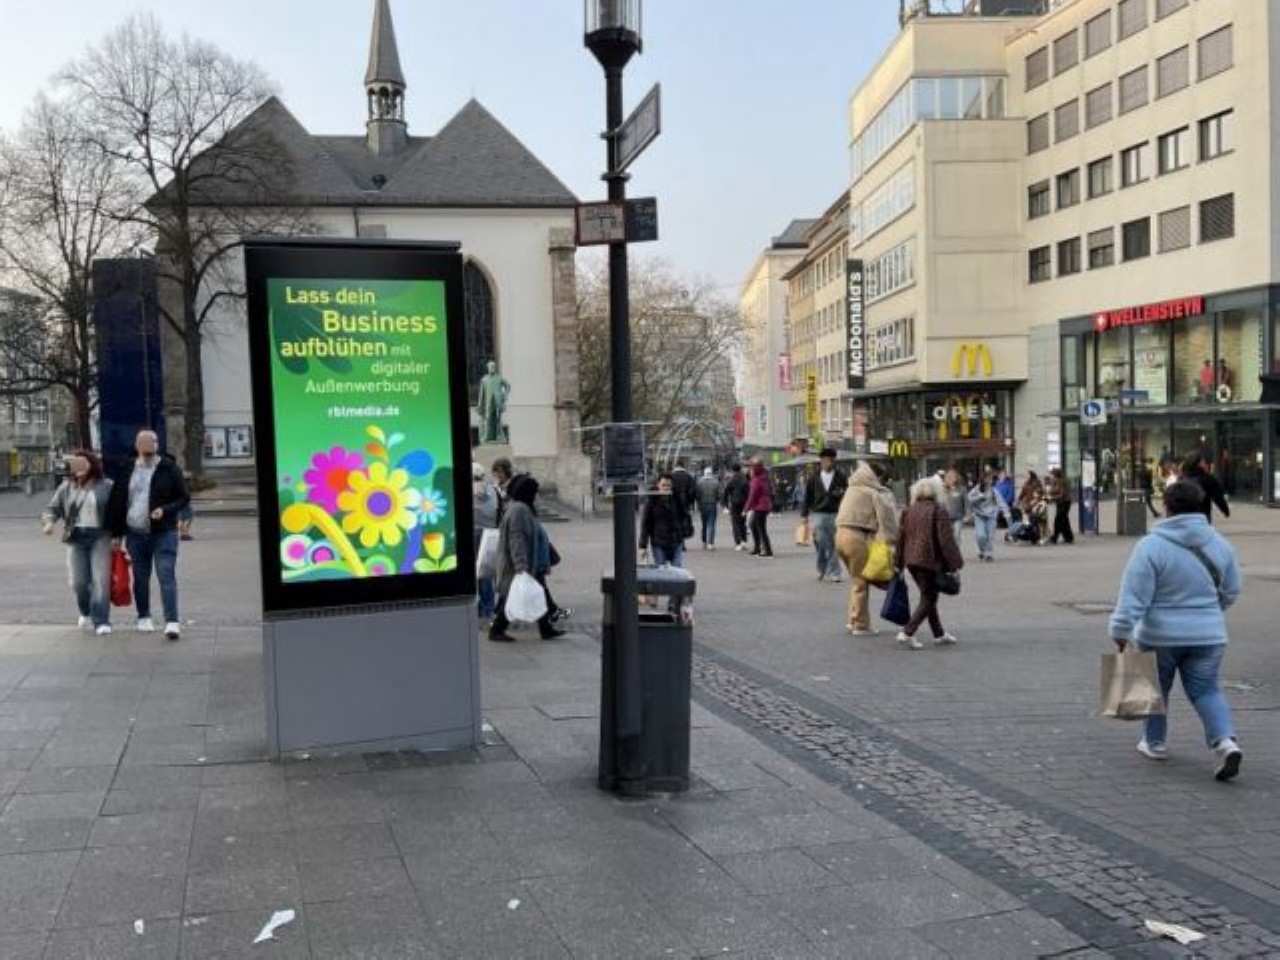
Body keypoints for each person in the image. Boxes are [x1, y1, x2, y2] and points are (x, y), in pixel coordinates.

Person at [1108, 480, 1243, 781]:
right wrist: (1210, 613)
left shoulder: (1150, 546)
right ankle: (1226, 743)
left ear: (1166, 507)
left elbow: (1134, 595)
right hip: (1209, 635)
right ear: (1200, 506)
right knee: (1207, 690)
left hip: (1159, 636)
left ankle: (1155, 743)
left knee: (1156, 691)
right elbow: (1232, 590)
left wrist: (1120, 628)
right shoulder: (1220, 544)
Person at [105, 431, 189, 640]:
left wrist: (165, 510)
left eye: (151, 441)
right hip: (135, 533)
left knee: (166, 574)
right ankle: (144, 616)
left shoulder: (169, 468)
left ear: (157, 444)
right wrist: (116, 533)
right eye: (143, 441)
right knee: (141, 577)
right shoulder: (128, 468)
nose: (147, 444)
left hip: (164, 532)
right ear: (137, 445)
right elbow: (117, 500)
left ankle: (172, 621)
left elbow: (183, 497)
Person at [42, 451, 115, 636]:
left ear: (91, 465)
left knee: (100, 580)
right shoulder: (67, 487)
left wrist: (118, 536)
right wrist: (49, 522)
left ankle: (102, 621)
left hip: (100, 536)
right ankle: (85, 611)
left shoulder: (106, 485)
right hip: (76, 537)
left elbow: (118, 512)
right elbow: (53, 508)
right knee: (78, 582)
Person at [488, 474, 562, 642]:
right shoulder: (519, 510)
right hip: (522, 564)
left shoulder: (523, 507)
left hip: (531, 563)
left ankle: (546, 628)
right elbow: (517, 538)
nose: (536, 496)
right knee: (511, 597)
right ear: (527, 493)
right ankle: (497, 629)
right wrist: (520, 564)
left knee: (539, 593)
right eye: (534, 492)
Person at [894, 477, 963, 650]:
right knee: (929, 598)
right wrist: (955, 563)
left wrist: (898, 562)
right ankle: (907, 632)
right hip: (929, 560)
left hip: (911, 560)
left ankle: (939, 634)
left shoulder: (908, 511)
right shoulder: (938, 510)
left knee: (928, 595)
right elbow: (946, 540)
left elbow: (901, 538)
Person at [835, 461, 899, 636]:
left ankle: (853, 619)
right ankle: (861, 625)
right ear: (876, 476)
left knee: (856, 581)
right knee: (861, 583)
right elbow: (887, 522)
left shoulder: (852, 488)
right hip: (856, 538)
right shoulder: (873, 492)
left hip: (840, 536)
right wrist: (892, 543)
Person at [801, 448, 847, 583]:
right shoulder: (814, 477)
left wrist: (840, 494)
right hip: (819, 513)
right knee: (821, 542)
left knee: (834, 543)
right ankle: (822, 568)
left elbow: (847, 493)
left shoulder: (841, 476)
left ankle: (834, 572)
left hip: (836, 513)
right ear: (821, 461)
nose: (829, 463)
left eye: (832, 460)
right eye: (826, 460)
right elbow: (807, 496)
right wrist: (804, 514)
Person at [639, 473, 687, 568]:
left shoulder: (677, 499)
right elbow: (646, 524)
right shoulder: (651, 500)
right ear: (658, 485)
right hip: (659, 542)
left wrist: (685, 530)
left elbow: (684, 516)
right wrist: (643, 546)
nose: (666, 488)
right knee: (661, 570)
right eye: (663, 485)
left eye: (669, 485)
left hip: (676, 541)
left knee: (677, 570)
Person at [472, 462, 499, 621]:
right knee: (486, 571)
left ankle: (478, 607)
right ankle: (488, 607)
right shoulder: (492, 490)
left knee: (473, 573)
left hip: (473, 534)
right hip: (489, 533)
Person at [967, 469, 1011, 562]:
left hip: (991, 516)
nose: (989, 481)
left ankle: (988, 553)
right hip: (979, 516)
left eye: (991, 479)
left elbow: (1000, 501)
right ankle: (981, 550)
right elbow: (969, 499)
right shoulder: (977, 489)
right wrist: (979, 497)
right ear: (983, 479)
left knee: (990, 536)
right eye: (988, 479)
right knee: (981, 536)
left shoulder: (993, 490)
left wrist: (1006, 512)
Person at [1179, 452, 1230, 524]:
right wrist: (1225, 510)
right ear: (1197, 464)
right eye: (1204, 462)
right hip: (1202, 516)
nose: (1207, 465)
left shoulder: (1182, 479)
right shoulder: (1207, 479)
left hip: (1185, 517)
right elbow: (1218, 497)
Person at [743, 459, 774, 558]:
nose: (749, 470)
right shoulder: (764, 478)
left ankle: (767, 550)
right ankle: (758, 548)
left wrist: (746, 509)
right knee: (754, 526)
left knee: (760, 529)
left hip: (760, 507)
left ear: (755, 469)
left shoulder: (756, 480)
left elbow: (752, 496)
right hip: (763, 506)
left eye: (751, 468)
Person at [476, 360, 510, 444]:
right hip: (488, 403)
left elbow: (508, 385)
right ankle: (487, 437)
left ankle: (498, 437)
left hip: (497, 403)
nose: (492, 368)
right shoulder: (484, 379)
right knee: (488, 419)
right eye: (490, 367)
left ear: (495, 368)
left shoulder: (499, 378)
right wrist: (480, 405)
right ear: (488, 368)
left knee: (497, 420)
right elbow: (481, 394)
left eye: (493, 367)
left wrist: (504, 395)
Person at [722, 463, 750, 551]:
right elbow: (748, 493)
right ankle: (744, 541)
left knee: (735, 524)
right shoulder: (745, 480)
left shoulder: (731, 481)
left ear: (732, 471)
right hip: (744, 504)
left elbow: (725, 493)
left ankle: (738, 543)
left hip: (734, 504)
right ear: (740, 469)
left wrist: (726, 505)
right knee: (743, 523)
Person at [694, 467, 722, 551]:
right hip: (712, 504)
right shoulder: (716, 482)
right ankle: (711, 543)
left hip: (702, 504)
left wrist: (698, 503)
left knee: (704, 524)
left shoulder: (699, 482)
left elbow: (697, 494)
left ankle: (704, 542)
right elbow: (719, 494)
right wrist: (717, 500)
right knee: (711, 524)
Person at [1017, 470, 1048, 545]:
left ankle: (1041, 537)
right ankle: (1033, 537)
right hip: (1028, 504)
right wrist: (1019, 499)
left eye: (1027, 475)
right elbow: (1023, 493)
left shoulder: (1037, 483)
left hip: (1036, 504)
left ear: (1031, 476)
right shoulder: (1026, 483)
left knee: (1038, 521)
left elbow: (1039, 494)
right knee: (1030, 521)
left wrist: (1036, 503)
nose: (1026, 476)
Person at [1045, 467, 1074, 545]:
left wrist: (1051, 498)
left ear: (1056, 475)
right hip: (1060, 503)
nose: (1052, 476)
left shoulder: (1061, 481)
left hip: (1064, 502)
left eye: (1052, 474)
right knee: (1064, 520)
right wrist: (1050, 496)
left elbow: (1061, 495)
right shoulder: (1055, 481)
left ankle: (1055, 538)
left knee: (1058, 520)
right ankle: (1068, 537)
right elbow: (1053, 491)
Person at [942, 469, 968, 551]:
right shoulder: (944, 489)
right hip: (947, 517)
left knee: (957, 534)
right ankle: (950, 552)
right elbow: (941, 502)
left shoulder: (962, 489)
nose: (952, 479)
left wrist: (967, 514)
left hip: (959, 516)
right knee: (949, 536)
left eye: (953, 477)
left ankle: (956, 552)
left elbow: (966, 502)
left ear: (957, 478)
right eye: (950, 477)